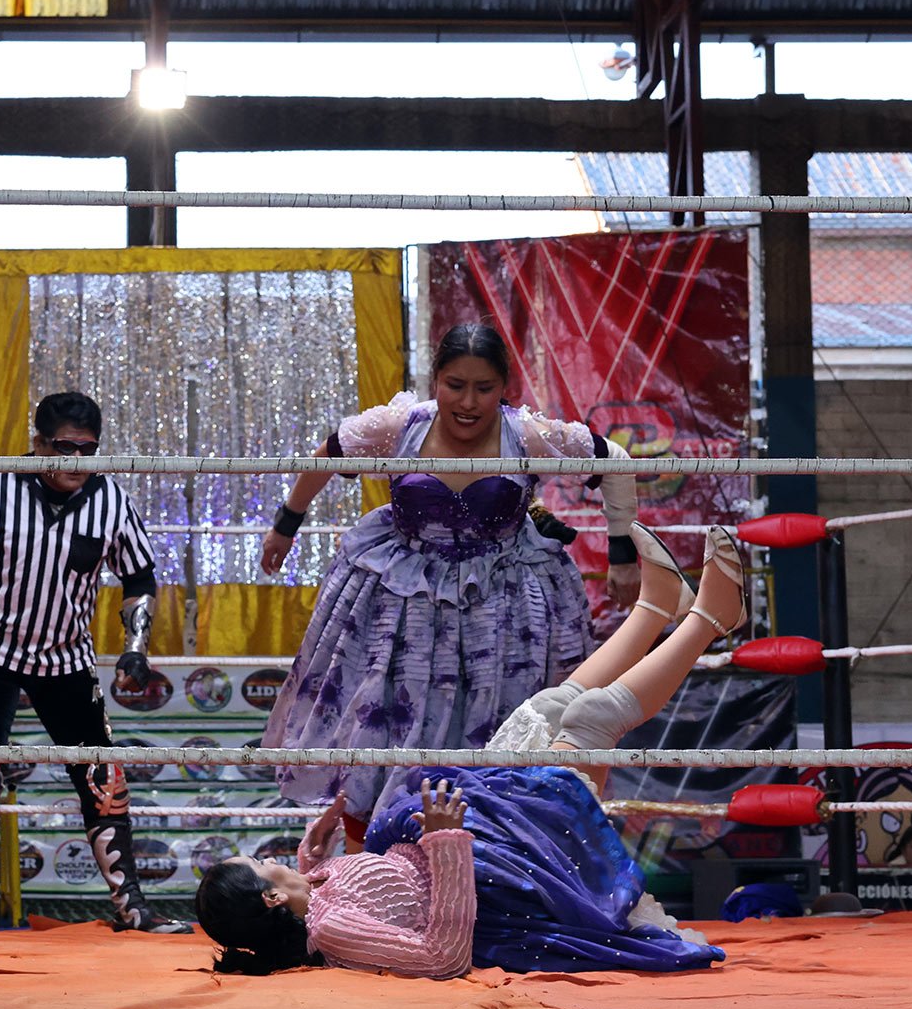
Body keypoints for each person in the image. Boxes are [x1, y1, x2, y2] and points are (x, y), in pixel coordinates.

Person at [196, 522, 745, 978]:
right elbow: (444, 956)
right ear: (270, 899)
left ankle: (654, 607)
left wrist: (311, 861)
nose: (267, 856)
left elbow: (377, 894)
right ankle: (710, 621)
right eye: (260, 863)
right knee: (588, 721)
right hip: (508, 878)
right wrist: (444, 839)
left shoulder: (317, 898)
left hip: (484, 842)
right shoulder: (332, 929)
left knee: (546, 710)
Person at [259, 322, 641, 843]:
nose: (468, 401)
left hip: (504, 607)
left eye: (483, 388)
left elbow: (614, 461)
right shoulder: (399, 428)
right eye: (454, 385)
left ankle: (496, 862)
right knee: (387, 723)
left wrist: (623, 553)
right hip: (403, 599)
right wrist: (285, 525)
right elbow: (327, 454)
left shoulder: (527, 435)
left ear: (505, 387)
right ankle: (368, 868)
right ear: (435, 379)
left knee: (506, 726)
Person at [0, 391, 190, 935]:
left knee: (103, 776)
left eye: (87, 451)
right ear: (38, 443)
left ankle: (132, 908)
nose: (75, 462)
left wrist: (135, 645)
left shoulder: (110, 500)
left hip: (67, 654)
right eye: (64, 448)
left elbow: (138, 576)